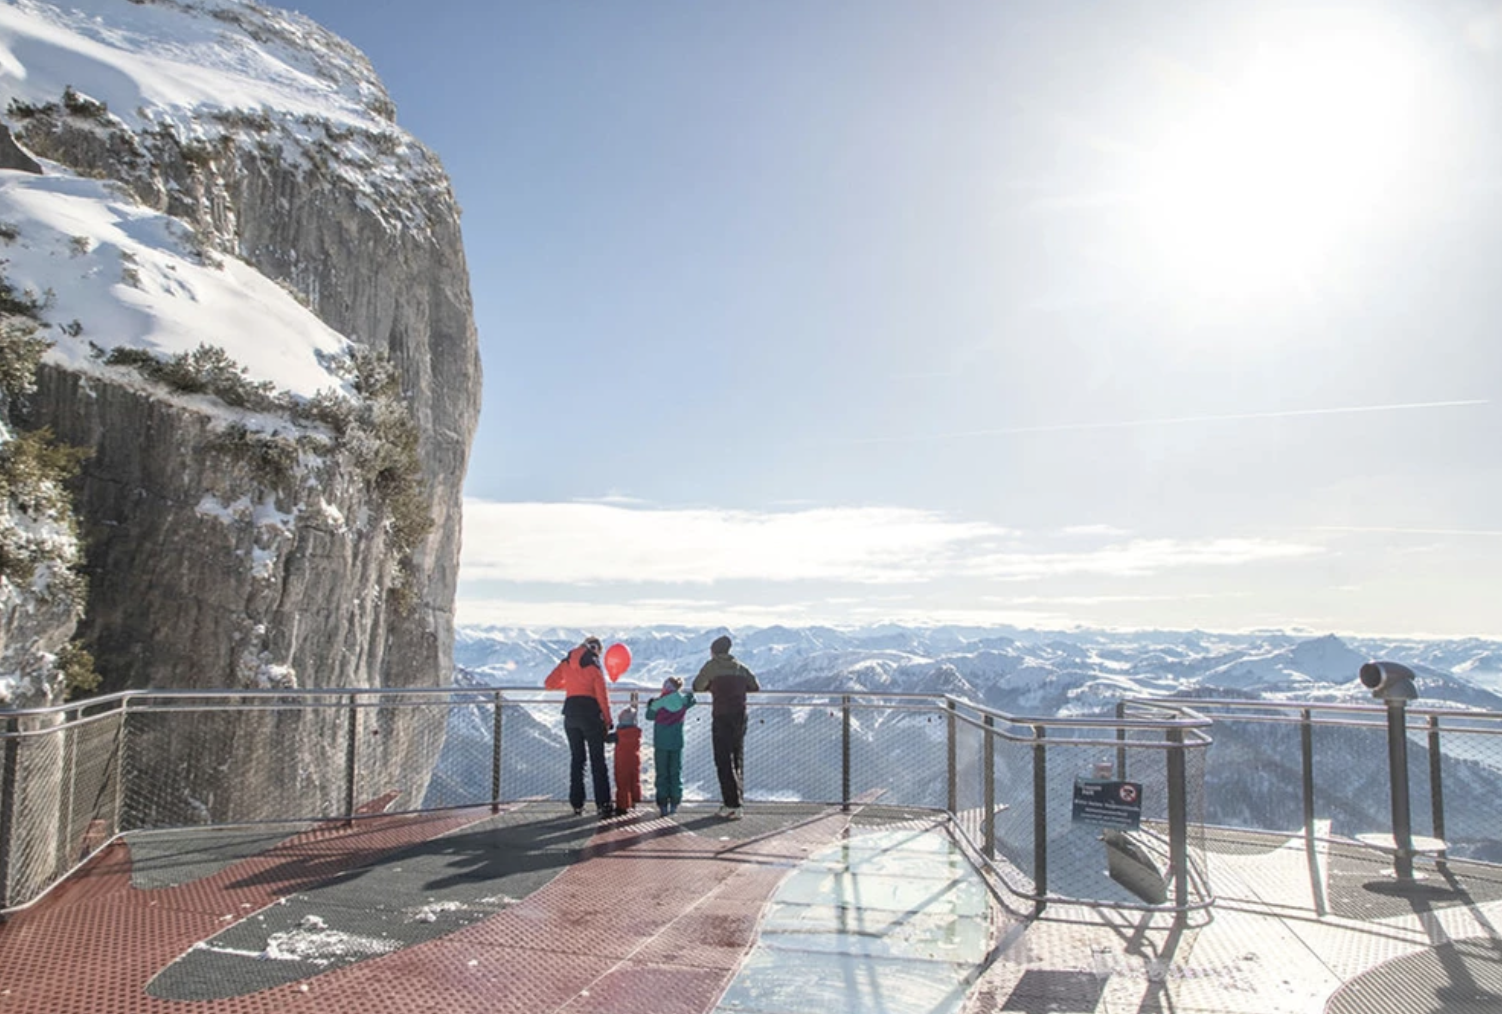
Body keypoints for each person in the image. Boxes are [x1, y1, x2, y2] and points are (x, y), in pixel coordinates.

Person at [544, 636, 615, 817]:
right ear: (595, 649)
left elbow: (549, 684)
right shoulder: (594, 666)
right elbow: (602, 696)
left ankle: (577, 804)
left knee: (577, 760)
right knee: (597, 761)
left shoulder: (566, 661)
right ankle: (603, 804)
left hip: (570, 714)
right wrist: (608, 720)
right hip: (590, 715)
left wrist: (570, 686)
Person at [692, 634, 759, 820]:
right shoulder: (740, 667)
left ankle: (732, 804)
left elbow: (697, 686)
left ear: (713, 651)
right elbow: (755, 686)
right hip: (740, 716)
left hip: (722, 716)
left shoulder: (711, 667)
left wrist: (712, 687)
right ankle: (737, 802)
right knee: (737, 758)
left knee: (723, 760)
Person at [644, 676, 695, 817]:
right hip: (677, 741)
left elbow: (649, 716)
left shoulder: (658, 703)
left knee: (662, 773)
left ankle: (662, 804)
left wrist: (650, 704)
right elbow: (692, 700)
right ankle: (674, 803)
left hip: (661, 742)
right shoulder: (683, 701)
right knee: (675, 772)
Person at [612, 705, 643, 814]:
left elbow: (605, 738)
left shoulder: (618, 735)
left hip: (622, 762)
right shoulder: (637, 733)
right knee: (634, 780)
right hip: (634, 760)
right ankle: (634, 800)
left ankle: (622, 806)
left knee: (622, 783)